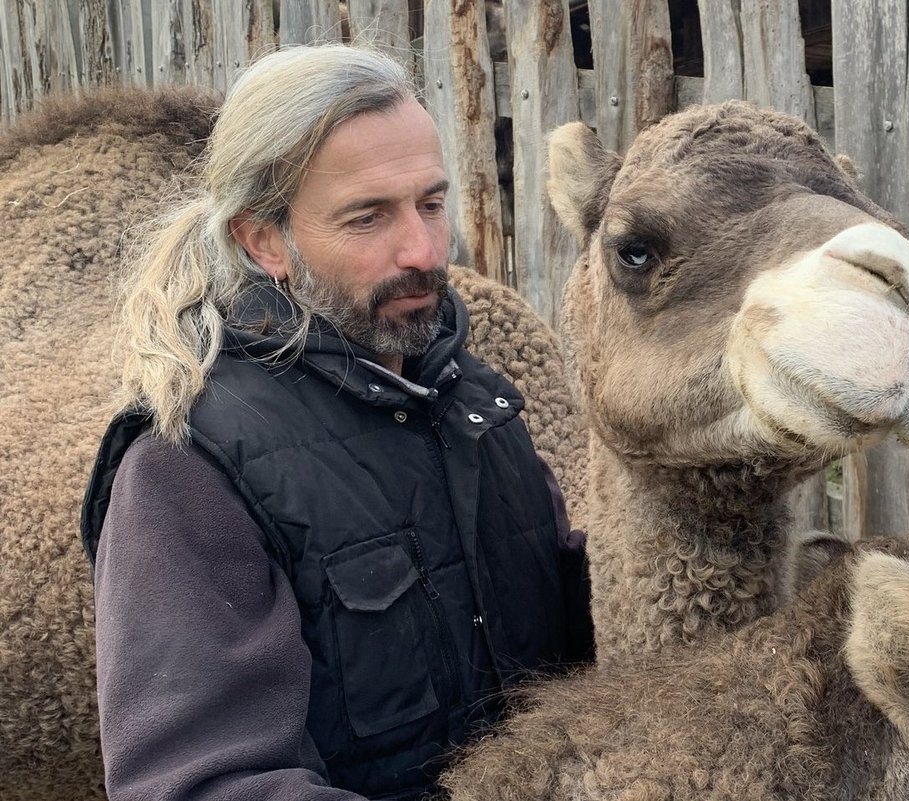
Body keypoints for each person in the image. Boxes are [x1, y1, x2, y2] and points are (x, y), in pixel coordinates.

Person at [80, 44, 593, 801]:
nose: (423, 250)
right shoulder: (186, 465)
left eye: (431, 201)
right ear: (263, 240)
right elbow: (198, 784)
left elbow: (578, 647)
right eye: (368, 216)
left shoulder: (473, 399)